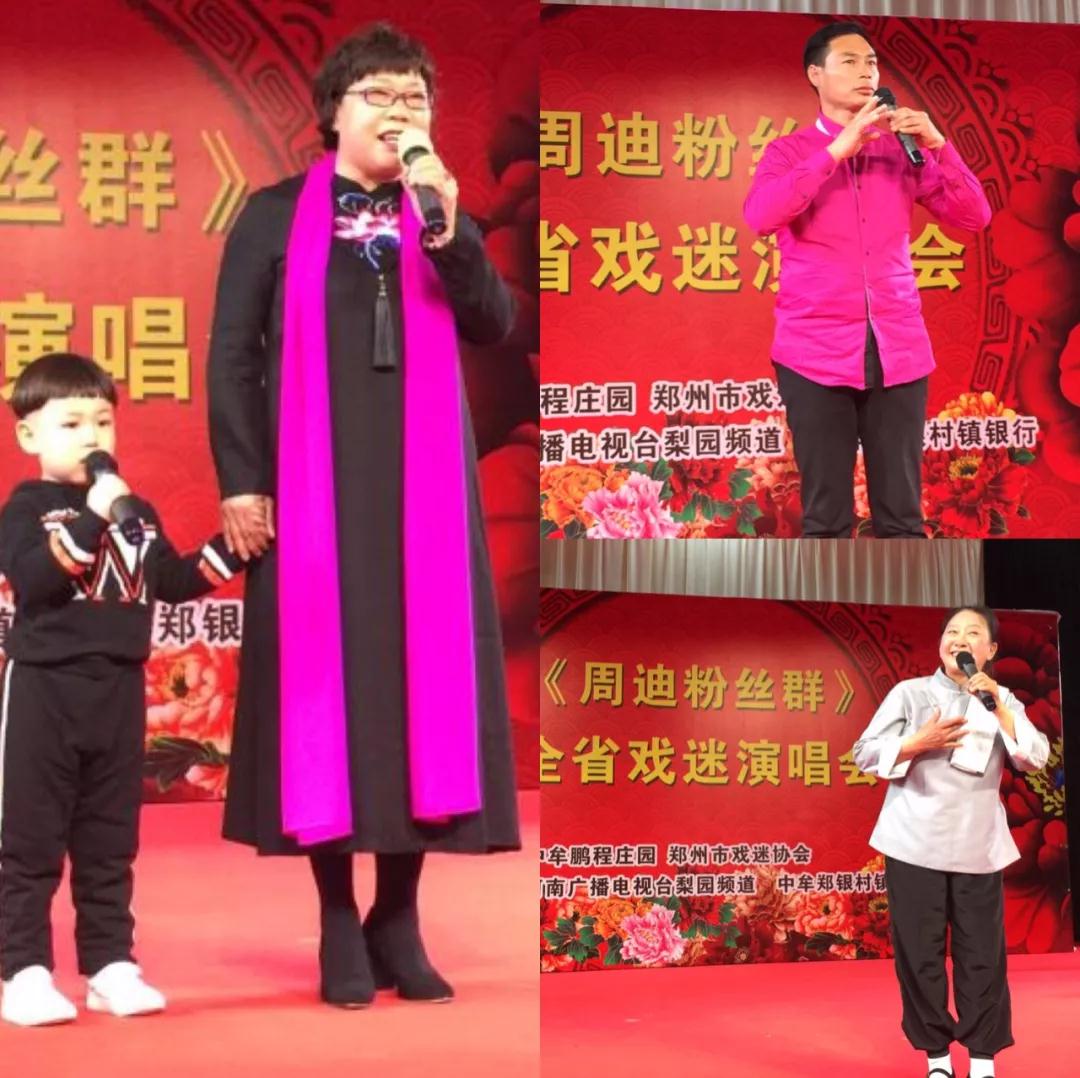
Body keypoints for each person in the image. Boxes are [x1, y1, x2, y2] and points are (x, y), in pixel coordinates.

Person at [207, 22, 520, 1008]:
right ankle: (339, 916)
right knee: (327, 694)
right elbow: (232, 356)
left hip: (424, 496)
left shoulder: (440, 211)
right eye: (379, 95)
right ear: (333, 112)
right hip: (312, 489)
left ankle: (399, 913)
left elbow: (496, 323)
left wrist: (448, 224)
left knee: (417, 693)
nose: (399, 112)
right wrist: (242, 482)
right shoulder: (272, 216)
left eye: (414, 97)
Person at [0, 353, 244, 1026]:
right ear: (28, 435)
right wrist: (94, 516)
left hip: (118, 688)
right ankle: (23, 971)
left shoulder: (136, 511)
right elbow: (35, 579)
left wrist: (236, 547)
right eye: (72, 422)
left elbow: (172, 580)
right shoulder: (24, 509)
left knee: (109, 839)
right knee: (31, 840)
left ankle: (109, 965)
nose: (92, 436)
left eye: (103, 421)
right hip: (46, 690)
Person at [743, 21, 992, 538]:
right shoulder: (789, 152)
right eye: (851, 61)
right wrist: (836, 151)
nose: (867, 72)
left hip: (898, 349)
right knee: (826, 518)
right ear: (815, 74)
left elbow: (975, 216)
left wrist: (940, 145)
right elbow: (761, 216)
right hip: (814, 352)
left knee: (902, 517)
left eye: (872, 63)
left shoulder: (901, 151)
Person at [852, 606, 1050, 1078]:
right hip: (913, 842)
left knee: (981, 957)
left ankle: (982, 1061)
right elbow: (863, 753)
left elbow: (1035, 757)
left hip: (977, 846)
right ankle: (937, 1059)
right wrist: (914, 744)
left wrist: (1000, 707)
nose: (959, 639)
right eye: (952, 632)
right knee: (920, 957)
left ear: (990, 650)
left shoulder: (1000, 699)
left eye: (972, 633)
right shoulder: (910, 694)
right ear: (941, 643)